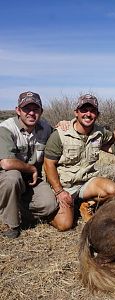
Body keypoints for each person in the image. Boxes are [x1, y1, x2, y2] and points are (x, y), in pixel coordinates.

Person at [43, 94, 115, 231]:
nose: (88, 114)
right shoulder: (60, 134)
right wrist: (59, 191)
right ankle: (50, 210)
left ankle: (85, 204)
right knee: (64, 225)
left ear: (97, 114)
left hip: (86, 183)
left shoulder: (100, 132)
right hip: (64, 185)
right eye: (84, 110)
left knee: (112, 190)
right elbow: (48, 164)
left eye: (92, 111)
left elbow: (114, 136)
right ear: (76, 113)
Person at [0, 91, 61, 238]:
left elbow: (60, 137)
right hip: (7, 178)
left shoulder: (46, 128)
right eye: (27, 109)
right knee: (12, 178)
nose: (31, 113)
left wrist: (65, 124)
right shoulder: (6, 128)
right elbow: (7, 163)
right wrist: (31, 168)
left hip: (31, 182)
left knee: (50, 205)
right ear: (18, 110)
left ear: (41, 111)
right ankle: (11, 225)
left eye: (36, 109)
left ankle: (14, 207)